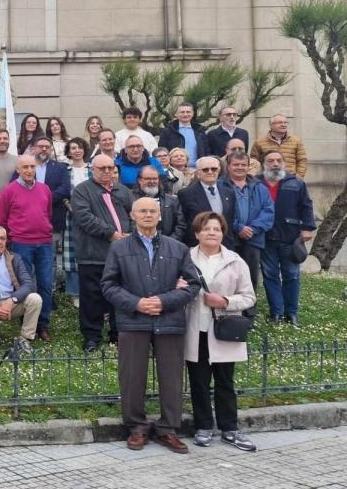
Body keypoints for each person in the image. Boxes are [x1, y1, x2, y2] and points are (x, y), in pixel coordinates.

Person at [102, 197, 201, 454]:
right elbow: (109, 285)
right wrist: (136, 303)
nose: (147, 215)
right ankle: (136, 427)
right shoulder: (119, 248)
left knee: (172, 377)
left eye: (152, 211)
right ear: (132, 216)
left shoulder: (178, 248)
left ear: (160, 216)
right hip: (133, 321)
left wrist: (163, 301)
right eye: (142, 211)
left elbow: (193, 284)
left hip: (169, 320)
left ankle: (168, 429)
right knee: (132, 376)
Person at [185, 212, 258, 452]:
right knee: (199, 381)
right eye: (206, 229)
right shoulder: (185, 258)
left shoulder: (236, 260)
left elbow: (249, 297)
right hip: (196, 328)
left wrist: (225, 300)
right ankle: (203, 426)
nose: (211, 233)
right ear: (197, 233)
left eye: (216, 229)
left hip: (224, 329)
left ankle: (229, 428)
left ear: (222, 233)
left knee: (225, 381)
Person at [71, 154, 135, 352]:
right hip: (93, 254)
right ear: (93, 170)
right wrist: (112, 234)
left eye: (110, 167)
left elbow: (135, 214)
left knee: (120, 296)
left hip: (121, 255)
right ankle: (92, 336)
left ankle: (118, 334)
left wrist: (130, 233)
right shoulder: (82, 191)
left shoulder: (123, 191)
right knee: (92, 298)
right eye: (102, 168)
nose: (107, 171)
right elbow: (85, 218)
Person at [0, 155, 55, 340]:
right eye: (25, 167)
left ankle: (43, 325)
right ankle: (29, 323)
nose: (29, 170)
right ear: (17, 170)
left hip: (44, 242)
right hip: (21, 243)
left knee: (46, 284)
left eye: (32, 166)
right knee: (24, 285)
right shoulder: (9, 191)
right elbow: (0, 220)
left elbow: (48, 214)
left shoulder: (44, 189)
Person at [260, 150, 316, 325]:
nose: (275, 164)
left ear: (283, 163)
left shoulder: (296, 183)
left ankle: (291, 312)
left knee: (291, 275)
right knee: (270, 275)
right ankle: (276, 312)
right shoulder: (256, 182)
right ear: (264, 164)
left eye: (278, 160)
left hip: (290, 236)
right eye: (271, 161)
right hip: (265, 236)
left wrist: (307, 228)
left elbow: (306, 205)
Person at [221, 152, 274, 288]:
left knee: (250, 277)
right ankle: (229, 307)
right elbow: (218, 211)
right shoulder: (219, 186)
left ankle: (249, 308)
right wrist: (238, 227)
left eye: (243, 165)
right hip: (228, 238)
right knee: (227, 277)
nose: (240, 167)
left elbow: (268, 211)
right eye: (236, 164)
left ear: (248, 166)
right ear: (228, 166)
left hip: (253, 239)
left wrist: (252, 229)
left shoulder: (260, 187)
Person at [177, 156, 236, 249]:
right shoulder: (186, 194)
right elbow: (184, 222)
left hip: (225, 246)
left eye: (214, 169)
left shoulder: (229, 192)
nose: (210, 172)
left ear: (219, 171)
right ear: (198, 173)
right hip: (198, 246)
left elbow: (231, 219)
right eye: (205, 170)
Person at [62, 137, 92, 307]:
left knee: (90, 251)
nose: (77, 150)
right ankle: (75, 292)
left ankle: (89, 289)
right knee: (71, 251)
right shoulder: (64, 170)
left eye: (80, 147)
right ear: (69, 151)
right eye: (73, 148)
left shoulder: (92, 169)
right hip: (71, 215)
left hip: (92, 215)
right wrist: (69, 206)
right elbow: (63, 192)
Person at [27, 136, 72, 236]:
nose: (44, 149)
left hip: (53, 218)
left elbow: (65, 188)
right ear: (34, 149)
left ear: (51, 150)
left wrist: (45, 199)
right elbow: (15, 185)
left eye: (47, 147)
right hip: (27, 218)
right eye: (41, 146)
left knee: (52, 251)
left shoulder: (61, 167)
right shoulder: (25, 165)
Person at [130, 166, 186, 241]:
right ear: (139, 180)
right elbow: (128, 223)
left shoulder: (172, 200)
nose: (152, 181)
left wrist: (168, 242)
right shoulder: (130, 199)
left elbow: (181, 225)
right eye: (148, 179)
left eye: (155, 179)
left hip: (169, 245)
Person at [250, 114, 307, 179]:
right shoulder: (259, 142)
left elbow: (302, 160)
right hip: (268, 179)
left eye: (285, 122)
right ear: (271, 125)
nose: (283, 125)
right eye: (280, 122)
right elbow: (254, 161)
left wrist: (298, 177)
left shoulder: (296, 141)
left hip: (290, 179)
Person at [159, 103, 209, 168]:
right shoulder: (168, 131)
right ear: (176, 114)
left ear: (192, 114)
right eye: (182, 112)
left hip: (197, 169)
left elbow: (207, 151)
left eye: (188, 112)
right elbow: (161, 151)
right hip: (175, 170)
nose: (185, 114)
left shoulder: (200, 131)